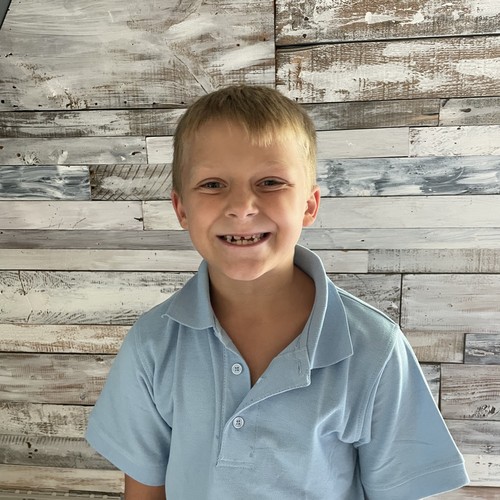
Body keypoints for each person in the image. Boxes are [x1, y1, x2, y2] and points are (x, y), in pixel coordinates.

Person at [86, 85, 469, 499]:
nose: (242, 206)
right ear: (181, 209)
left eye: (270, 182)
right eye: (213, 184)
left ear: (309, 205)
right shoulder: (152, 343)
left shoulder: (375, 348)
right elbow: (145, 488)